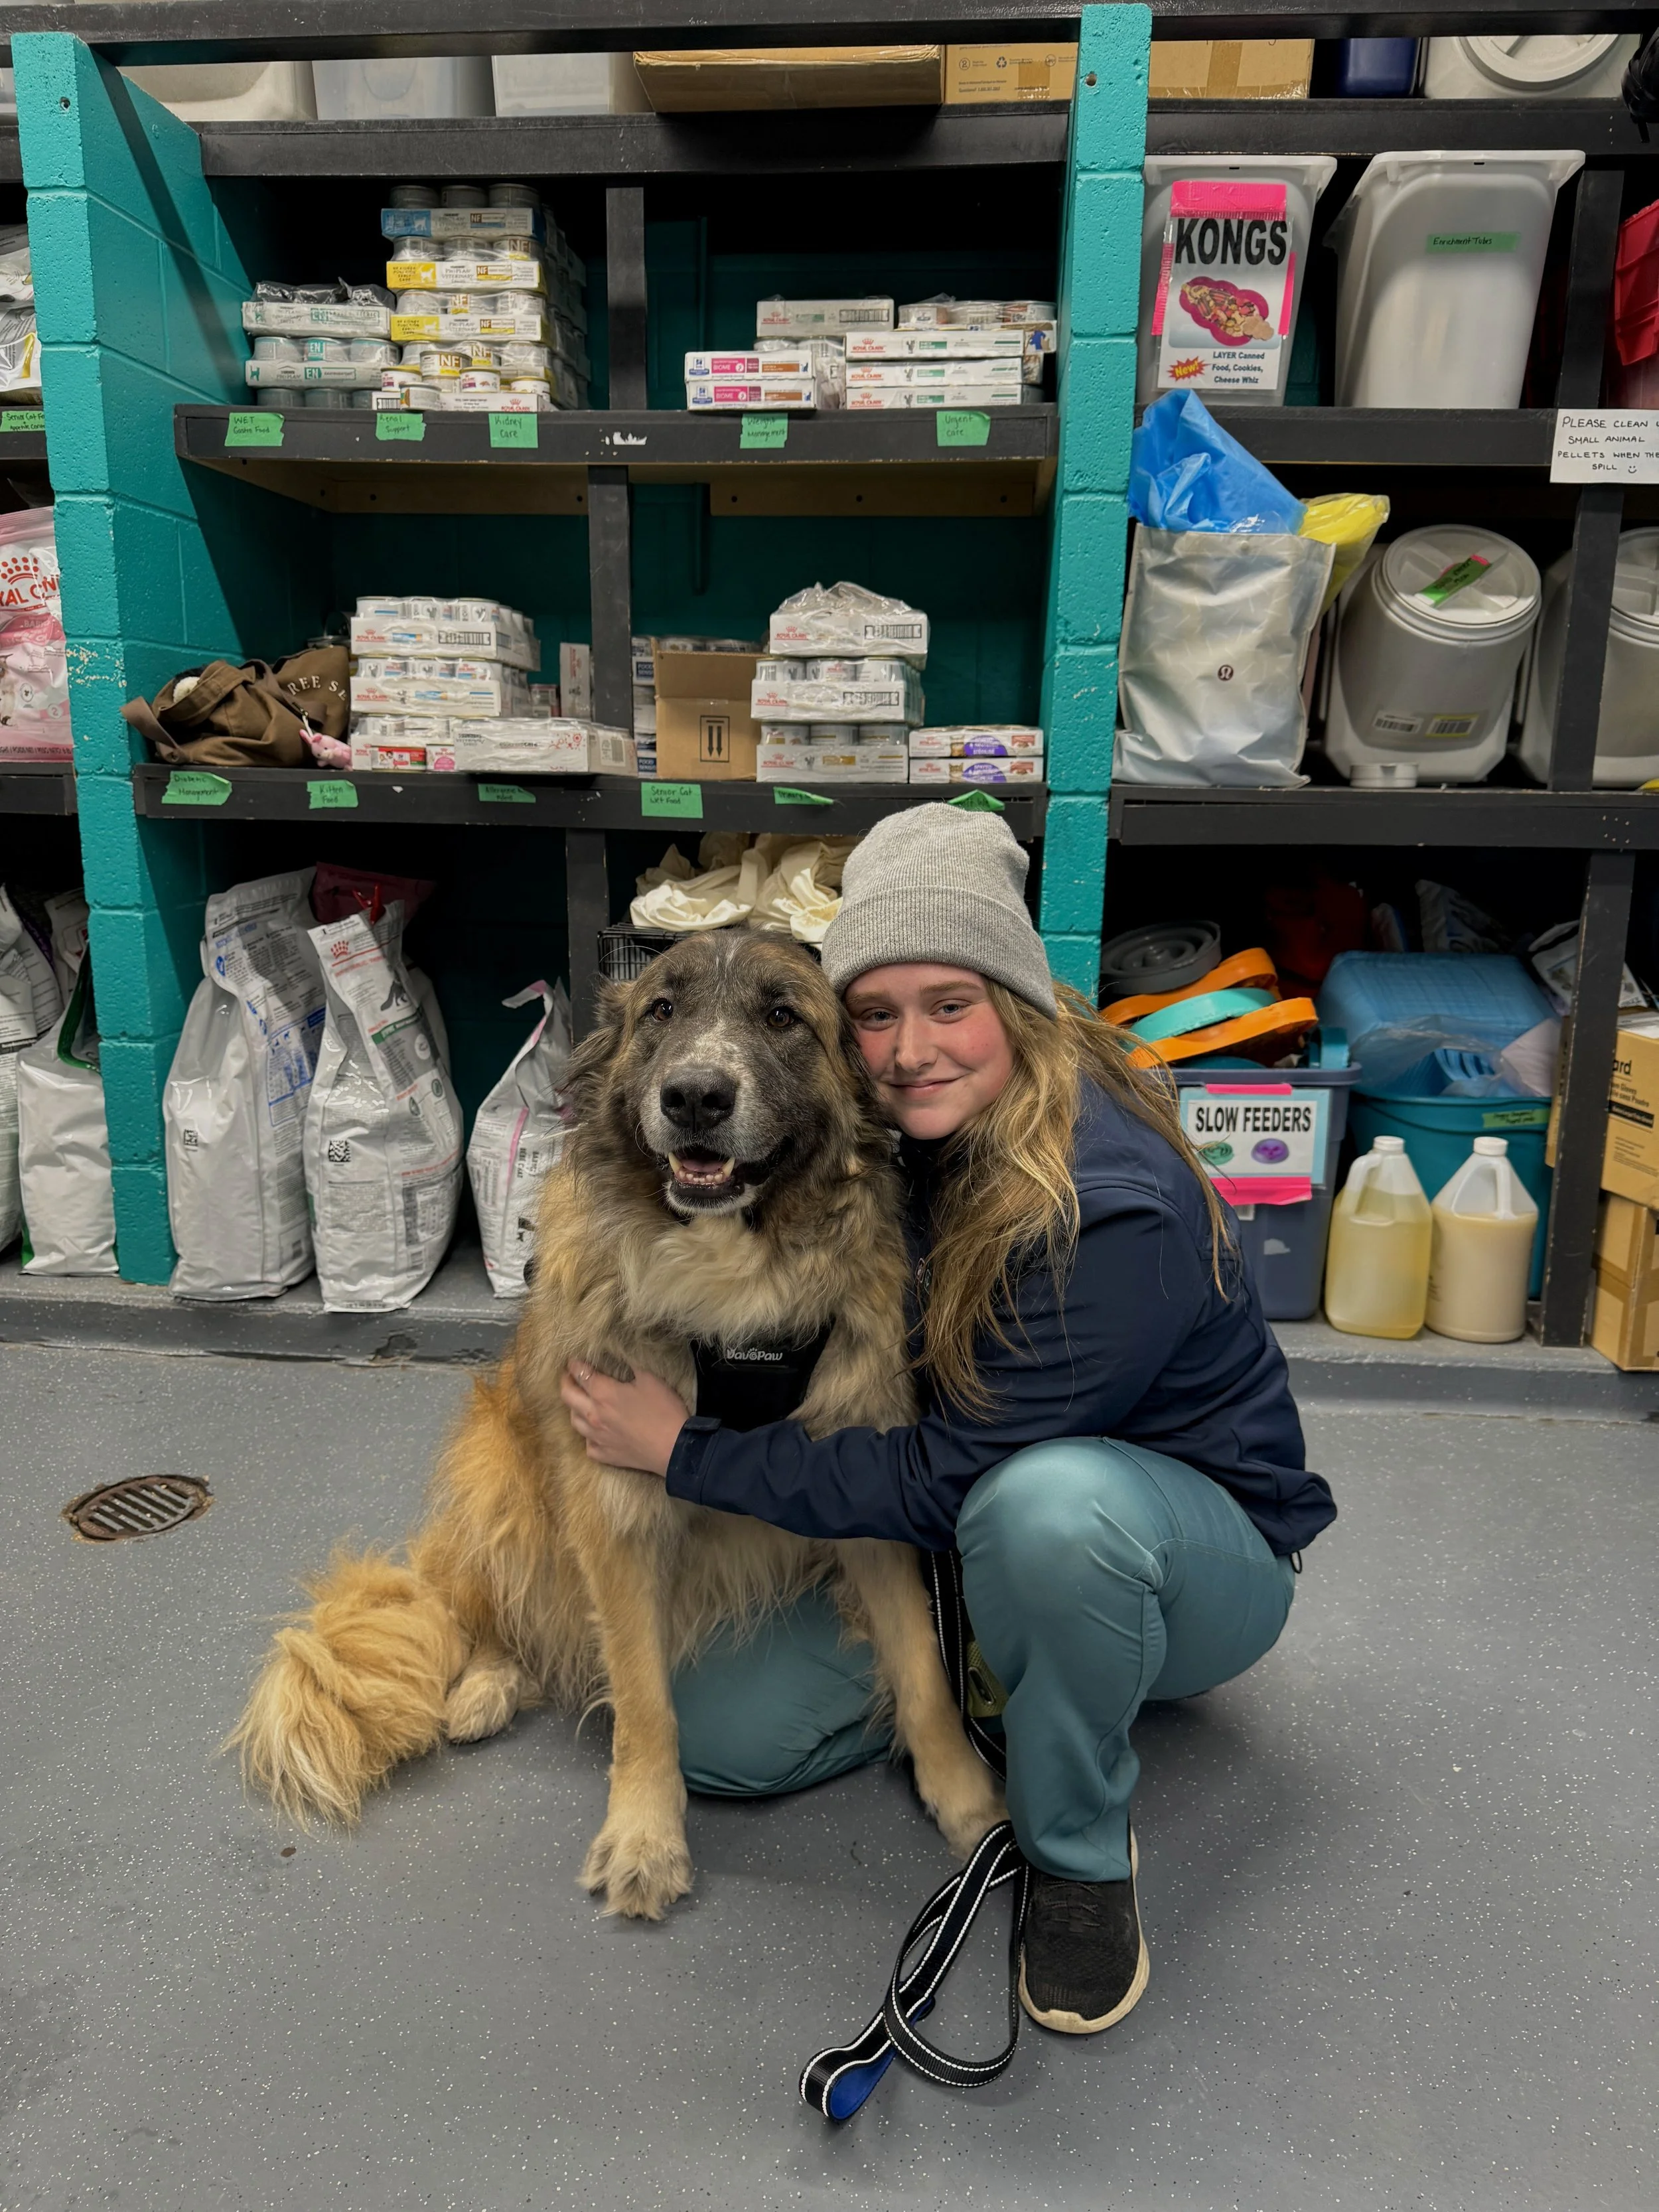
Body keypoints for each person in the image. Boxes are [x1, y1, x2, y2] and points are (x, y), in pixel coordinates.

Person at [562, 805, 1335, 2036]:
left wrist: (683, 1451)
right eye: (877, 1013)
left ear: (1019, 1007)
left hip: (1179, 1557)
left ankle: (1080, 1858)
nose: (911, 1048)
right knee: (725, 1741)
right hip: (975, 1542)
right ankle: (985, 1674)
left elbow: (944, 1479)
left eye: (951, 1005)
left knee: (1046, 1508)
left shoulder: (1109, 1202)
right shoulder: (901, 1138)